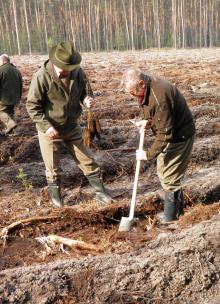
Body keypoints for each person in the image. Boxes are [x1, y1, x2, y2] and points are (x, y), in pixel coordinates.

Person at [26, 41, 113, 208]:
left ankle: (101, 194)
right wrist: (46, 127)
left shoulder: (77, 72)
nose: (69, 70)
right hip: (50, 129)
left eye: (71, 67)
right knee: (53, 168)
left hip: (72, 126)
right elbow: (32, 106)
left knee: (87, 160)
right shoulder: (41, 76)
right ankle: (57, 200)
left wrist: (86, 99)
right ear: (57, 63)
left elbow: (85, 91)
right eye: (66, 67)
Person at [121, 68, 195, 223]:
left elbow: (164, 135)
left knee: (169, 176)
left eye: (133, 92)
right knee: (164, 172)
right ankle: (178, 212)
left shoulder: (160, 95)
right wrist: (146, 119)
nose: (132, 96)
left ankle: (170, 218)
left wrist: (147, 155)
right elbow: (148, 106)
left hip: (179, 136)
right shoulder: (147, 86)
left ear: (141, 83)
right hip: (173, 133)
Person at [0, 54, 22, 135]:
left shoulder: (1, 70)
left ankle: (11, 124)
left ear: (2, 61)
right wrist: (19, 97)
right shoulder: (16, 70)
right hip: (15, 98)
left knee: (1, 112)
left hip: (4, 98)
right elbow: (21, 84)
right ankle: (14, 132)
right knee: (10, 113)